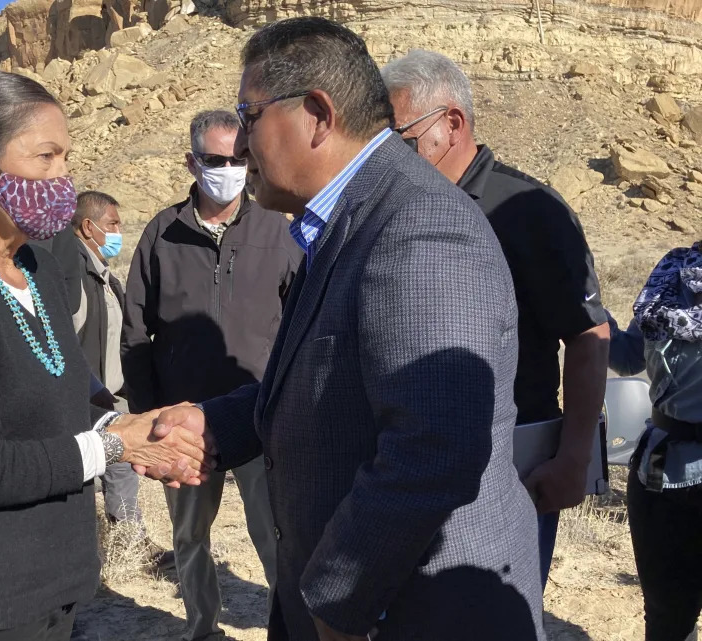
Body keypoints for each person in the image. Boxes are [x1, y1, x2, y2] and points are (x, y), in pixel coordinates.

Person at [145, 18, 544, 641]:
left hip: (413, 613)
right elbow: (328, 380)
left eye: (250, 117)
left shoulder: (418, 230)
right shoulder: (341, 221)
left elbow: (434, 447)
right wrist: (214, 422)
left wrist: (338, 601)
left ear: (317, 114)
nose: (243, 146)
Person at [0, 69, 210, 641]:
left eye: (66, 159)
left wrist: (135, 430)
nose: (64, 178)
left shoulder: (36, 268)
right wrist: (111, 448)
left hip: (57, 589)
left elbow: (67, 397)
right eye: (46, 158)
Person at [380, 50, 610, 588]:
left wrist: (574, 457)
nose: (390, 157)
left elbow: (587, 335)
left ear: (452, 124)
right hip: (410, 463)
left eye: (400, 139)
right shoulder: (402, 204)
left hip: (509, 473)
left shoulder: (529, 209)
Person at [122, 109, 298, 641]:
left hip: (258, 417)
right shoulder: (162, 233)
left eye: (239, 158)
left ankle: (286, 629)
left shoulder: (277, 228)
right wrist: (147, 418)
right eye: (215, 159)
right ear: (191, 162)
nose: (229, 168)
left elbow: (302, 326)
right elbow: (135, 331)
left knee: (274, 536)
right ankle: (202, 628)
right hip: (182, 424)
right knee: (189, 536)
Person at [66, 190, 173, 567]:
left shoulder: (104, 276)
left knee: (121, 470)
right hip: (87, 398)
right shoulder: (72, 274)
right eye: (111, 224)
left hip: (111, 396)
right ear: (87, 226)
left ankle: (128, 543)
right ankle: (103, 551)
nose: (117, 232)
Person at [607, 244, 702, 641]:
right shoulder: (673, 274)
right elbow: (629, 357)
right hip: (663, 474)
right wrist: (587, 311)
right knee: (666, 619)